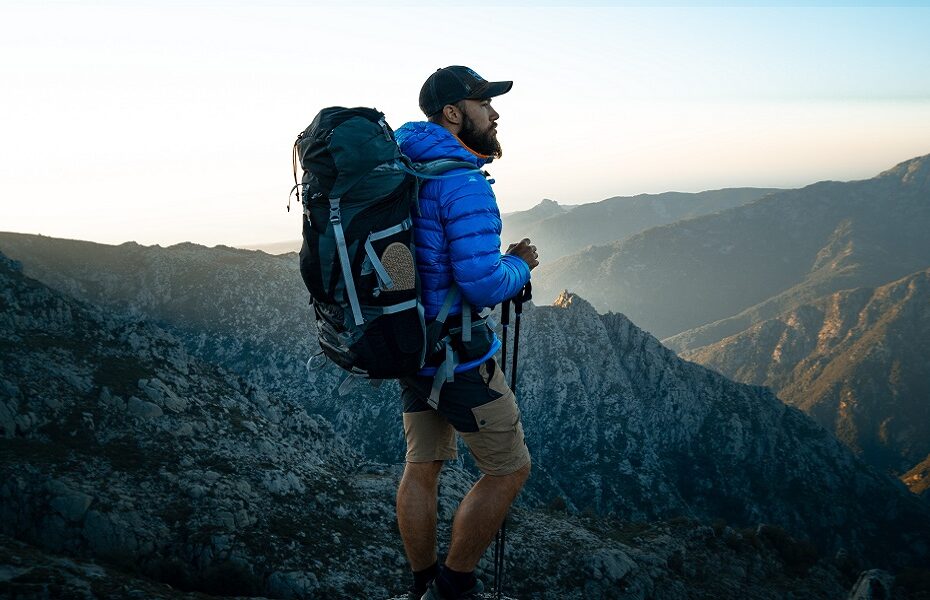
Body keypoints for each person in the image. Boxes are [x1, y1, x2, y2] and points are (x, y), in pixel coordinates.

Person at [393, 66, 539, 600]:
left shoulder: (406, 167)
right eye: (484, 103)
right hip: (458, 355)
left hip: (409, 344)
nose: (495, 113)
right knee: (509, 469)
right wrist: (520, 265)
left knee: (422, 465)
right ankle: (453, 591)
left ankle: (422, 586)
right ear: (453, 114)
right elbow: (480, 283)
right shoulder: (459, 179)